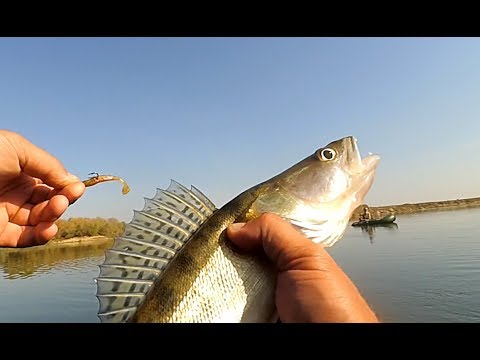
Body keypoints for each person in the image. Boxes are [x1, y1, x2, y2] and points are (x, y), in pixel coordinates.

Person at [0, 129, 379, 323]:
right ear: (264, 208)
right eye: (326, 156)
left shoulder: (286, 254)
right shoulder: (261, 238)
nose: (336, 154)